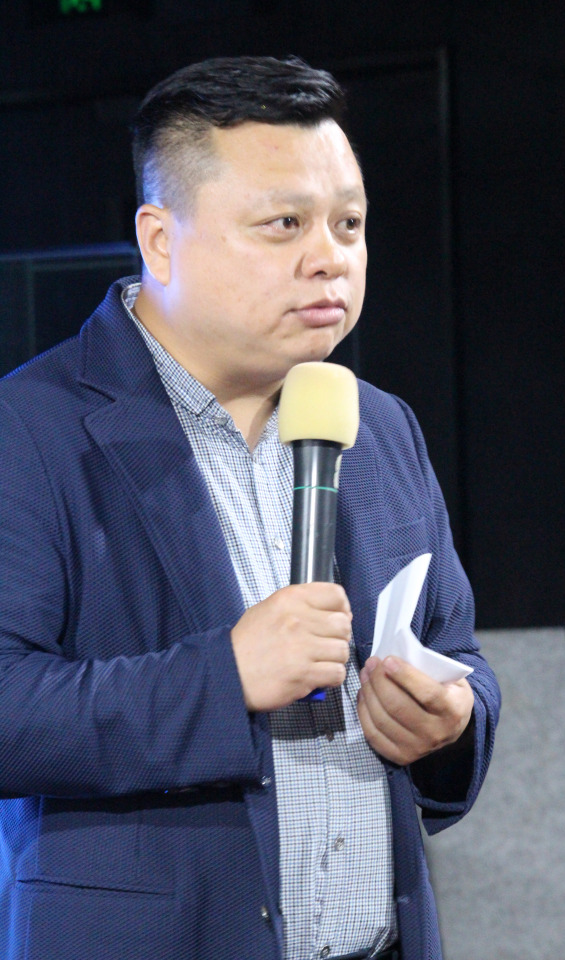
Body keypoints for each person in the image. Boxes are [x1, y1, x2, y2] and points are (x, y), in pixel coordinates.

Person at [0, 56, 500, 960]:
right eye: (285, 224)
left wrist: (451, 723)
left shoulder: (381, 425)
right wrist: (223, 677)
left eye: (349, 223)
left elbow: (457, 650)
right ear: (160, 240)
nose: (330, 257)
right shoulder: (29, 427)